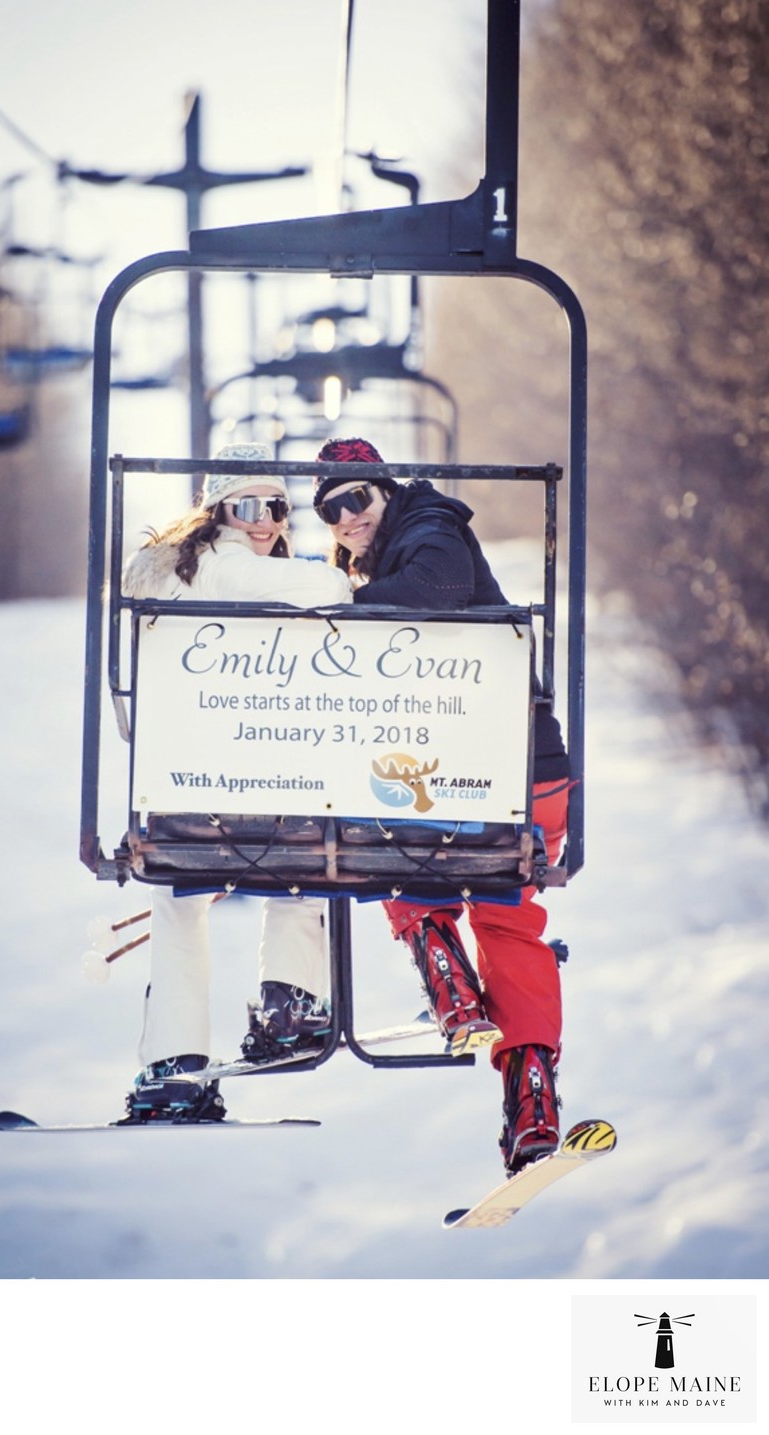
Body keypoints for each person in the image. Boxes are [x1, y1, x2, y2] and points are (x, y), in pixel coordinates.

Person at [312, 437, 572, 1175]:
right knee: (509, 921)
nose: (346, 518)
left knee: (376, 838)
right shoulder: (385, 548)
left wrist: (343, 607)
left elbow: (439, 587)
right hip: (511, 773)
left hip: (498, 773)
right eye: (329, 511)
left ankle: (446, 977)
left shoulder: (430, 528)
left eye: (355, 498)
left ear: (385, 491)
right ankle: (530, 1097)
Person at [121, 441, 352, 1122]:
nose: (264, 521)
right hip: (260, 786)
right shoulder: (232, 569)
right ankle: (288, 1000)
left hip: (183, 787)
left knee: (178, 901)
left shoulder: (166, 571)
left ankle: (175, 1056)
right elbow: (332, 586)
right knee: (307, 859)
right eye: (248, 505)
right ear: (217, 510)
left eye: (277, 506)